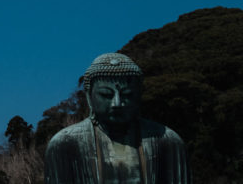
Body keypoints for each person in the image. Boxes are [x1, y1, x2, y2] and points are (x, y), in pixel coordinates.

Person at [45, 53, 190, 184]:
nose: (117, 103)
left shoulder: (167, 141)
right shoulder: (65, 144)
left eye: (127, 95)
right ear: (89, 96)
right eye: (106, 95)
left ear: (139, 95)